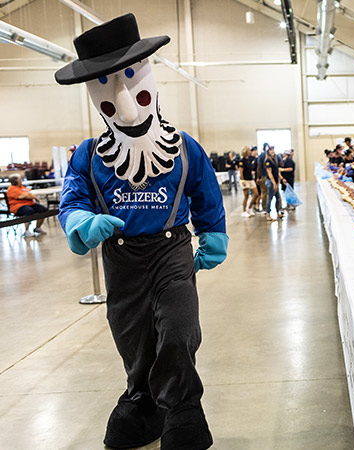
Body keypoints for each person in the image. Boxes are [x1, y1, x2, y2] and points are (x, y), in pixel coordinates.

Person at [54, 14, 226, 450]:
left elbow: (205, 193)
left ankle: (184, 411)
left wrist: (213, 235)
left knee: (178, 329)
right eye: (107, 86)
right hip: (121, 258)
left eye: (131, 78)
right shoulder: (89, 156)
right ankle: (143, 401)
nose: (125, 98)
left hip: (171, 251)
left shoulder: (185, 147)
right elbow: (72, 200)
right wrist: (82, 223)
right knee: (131, 336)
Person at [263, 147, 284, 221]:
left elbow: (277, 171)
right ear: (268, 151)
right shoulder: (268, 161)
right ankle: (268, 214)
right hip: (271, 182)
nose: (272, 151)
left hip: (275, 181)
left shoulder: (275, 159)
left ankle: (278, 212)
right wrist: (274, 183)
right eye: (270, 150)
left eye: (273, 150)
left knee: (277, 198)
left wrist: (281, 179)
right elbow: (269, 173)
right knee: (270, 198)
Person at [239, 146, 257, 217]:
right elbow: (241, 172)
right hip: (245, 179)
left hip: (251, 179)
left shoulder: (249, 159)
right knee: (246, 196)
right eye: (249, 150)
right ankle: (244, 211)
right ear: (246, 151)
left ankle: (249, 208)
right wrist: (243, 180)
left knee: (256, 194)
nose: (250, 151)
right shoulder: (242, 161)